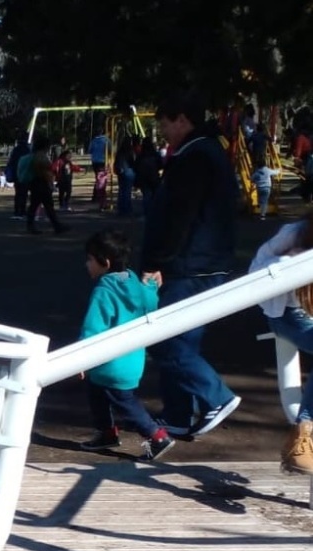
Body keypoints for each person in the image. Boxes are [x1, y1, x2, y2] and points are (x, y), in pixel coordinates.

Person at [141, 89, 241, 439]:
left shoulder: (193, 158)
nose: (163, 132)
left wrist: (156, 260)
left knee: (165, 341)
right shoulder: (208, 153)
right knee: (181, 341)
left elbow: (178, 217)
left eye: (165, 124)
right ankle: (178, 414)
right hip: (206, 261)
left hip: (190, 265)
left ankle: (216, 395)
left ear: (182, 119)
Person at [78, 229, 175, 461]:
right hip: (131, 359)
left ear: (106, 263)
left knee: (125, 404)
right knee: (98, 393)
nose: (86, 264)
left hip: (109, 363)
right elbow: (150, 302)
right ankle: (106, 433)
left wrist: (79, 356)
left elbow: (94, 327)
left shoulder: (104, 291)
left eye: (90, 259)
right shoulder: (133, 281)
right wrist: (152, 287)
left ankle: (157, 436)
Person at [248, 215, 313, 474]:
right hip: (290, 315)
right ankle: (304, 432)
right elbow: (255, 271)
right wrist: (291, 262)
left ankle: (302, 436)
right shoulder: (295, 233)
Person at [24, 137, 68, 235]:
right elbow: (45, 170)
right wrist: (50, 183)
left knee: (35, 205)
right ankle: (56, 226)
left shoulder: (35, 155)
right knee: (47, 205)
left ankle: (31, 225)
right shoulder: (41, 156)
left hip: (36, 182)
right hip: (41, 182)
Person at [5, 134, 30, 220]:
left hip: (16, 174)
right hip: (24, 174)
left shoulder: (15, 150)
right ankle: (22, 210)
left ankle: (17, 210)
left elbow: (11, 162)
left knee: (18, 193)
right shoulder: (26, 149)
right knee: (23, 193)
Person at [114, 137, 136, 217]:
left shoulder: (119, 152)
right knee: (127, 191)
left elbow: (116, 162)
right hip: (128, 171)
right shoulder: (130, 151)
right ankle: (127, 209)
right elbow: (132, 162)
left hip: (121, 171)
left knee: (121, 191)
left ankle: (121, 208)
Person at [88, 132, 110, 202]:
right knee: (102, 180)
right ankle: (100, 196)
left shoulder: (94, 140)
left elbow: (90, 150)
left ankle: (96, 196)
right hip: (103, 161)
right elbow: (111, 150)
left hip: (95, 161)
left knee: (97, 179)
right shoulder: (107, 140)